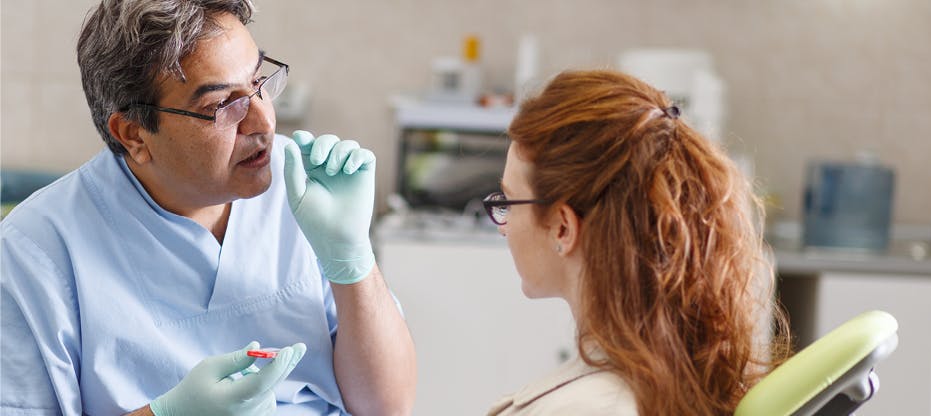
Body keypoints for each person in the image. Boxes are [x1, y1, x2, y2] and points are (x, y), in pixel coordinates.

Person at [0, 1, 415, 415]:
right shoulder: (36, 251)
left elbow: (387, 407)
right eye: (222, 105)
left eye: (258, 82)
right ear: (133, 134)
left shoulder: (304, 184)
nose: (262, 122)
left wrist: (354, 261)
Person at [483, 69, 791, 415]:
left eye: (507, 203)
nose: (503, 226)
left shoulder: (580, 408)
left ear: (563, 228)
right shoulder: (682, 373)